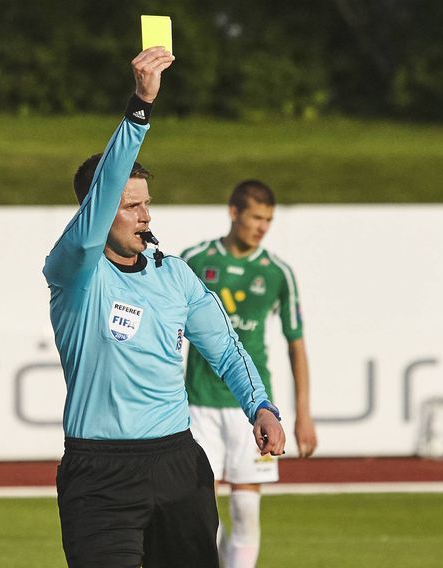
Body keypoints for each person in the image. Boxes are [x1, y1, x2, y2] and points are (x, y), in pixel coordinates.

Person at [43, 48, 285, 568]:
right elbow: (98, 209)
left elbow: (225, 349)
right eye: (130, 205)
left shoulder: (173, 273)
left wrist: (260, 405)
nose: (143, 215)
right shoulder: (75, 271)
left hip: (177, 464)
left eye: (146, 203)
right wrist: (140, 107)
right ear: (99, 211)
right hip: (99, 473)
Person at [181, 180, 317, 568]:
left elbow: (296, 343)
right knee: (199, 510)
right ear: (233, 211)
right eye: (256, 216)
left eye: (269, 220)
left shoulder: (277, 273)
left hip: (253, 410)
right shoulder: (194, 259)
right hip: (199, 405)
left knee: (246, 511)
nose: (262, 226)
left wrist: (303, 413)